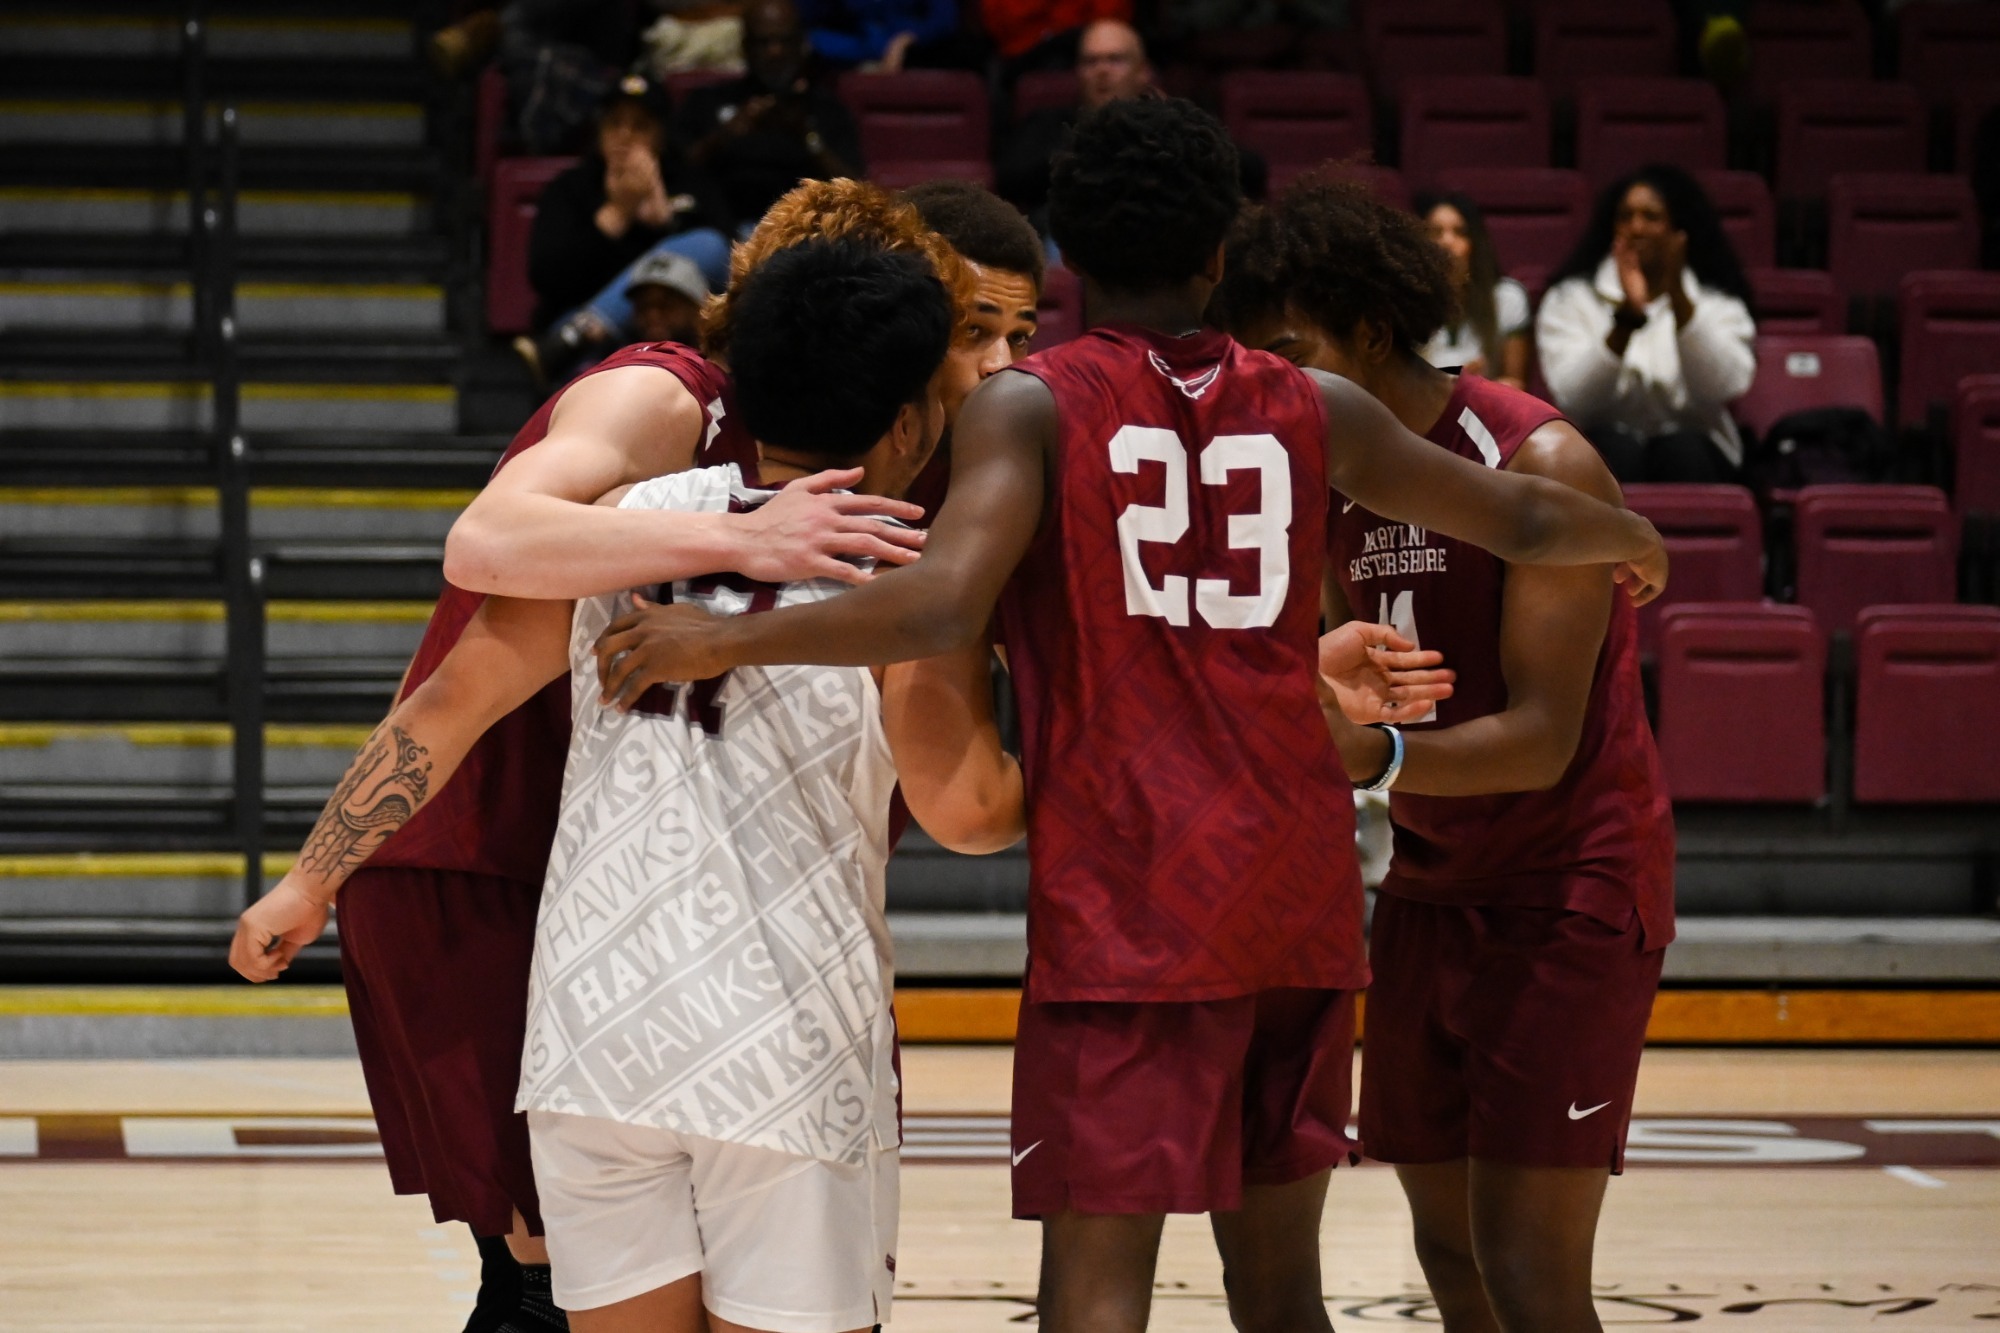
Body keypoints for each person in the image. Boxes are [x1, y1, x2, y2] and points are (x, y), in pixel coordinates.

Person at [584, 98, 1669, 1333]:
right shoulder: (1314, 401)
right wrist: (1632, 533)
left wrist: (725, 633)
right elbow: (1524, 519)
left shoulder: (1031, 402)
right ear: (1219, 255)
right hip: (1294, 892)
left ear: (1066, 258)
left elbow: (941, 603)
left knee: (1096, 1293)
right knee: (1278, 1294)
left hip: (1132, 898)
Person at [232, 237, 1026, 1333]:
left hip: (592, 1042)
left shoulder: (619, 525)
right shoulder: (907, 567)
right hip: (779, 1045)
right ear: (907, 420)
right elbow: (967, 813)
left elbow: (443, 708)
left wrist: (305, 885)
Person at [1214, 178, 1675, 1333]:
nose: (1273, 378)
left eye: (1291, 349)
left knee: (1525, 1267)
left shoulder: (1537, 461)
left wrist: (1364, 757)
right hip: (1426, 879)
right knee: (1449, 1249)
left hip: (1564, 881)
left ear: (1370, 330)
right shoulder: (1316, 469)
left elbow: (1539, 739)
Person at [1536, 163, 1756, 484]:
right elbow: (1573, 396)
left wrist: (1680, 299)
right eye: (1625, 217)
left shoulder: (1717, 302)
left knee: (1680, 450)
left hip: (1697, 450)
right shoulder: (1571, 298)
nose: (1636, 228)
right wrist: (1628, 316)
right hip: (1602, 447)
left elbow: (1726, 385)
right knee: (1614, 448)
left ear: (1678, 230)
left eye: (1651, 217)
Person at [521, 76, 732, 381]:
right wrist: (618, 214)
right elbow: (547, 278)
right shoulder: (569, 188)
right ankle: (579, 339)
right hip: (586, 336)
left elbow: (723, 256)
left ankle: (575, 336)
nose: (625, 136)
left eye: (640, 126)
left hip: (677, 337)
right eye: (614, 123)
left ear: (660, 135)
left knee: (707, 244)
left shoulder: (691, 182)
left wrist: (666, 224)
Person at [671, 0, 867, 234]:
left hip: (802, 236)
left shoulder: (827, 109)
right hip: (719, 232)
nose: (775, 52)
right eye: (763, 42)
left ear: (801, 45)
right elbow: (676, 169)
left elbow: (853, 188)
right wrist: (725, 135)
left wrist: (806, 137)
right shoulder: (707, 101)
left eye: (785, 41)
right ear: (745, 46)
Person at [995, 19, 1152, 227]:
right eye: (1090, 61)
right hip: (1059, 235)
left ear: (1143, 72)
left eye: (1115, 59)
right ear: (1077, 72)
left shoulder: (1161, 133)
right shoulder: (1048, 124)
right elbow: (1010, 179)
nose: (1102, 70)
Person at [1414, 191, 1531, 389]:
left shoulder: (1507, 298)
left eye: (1460, 232)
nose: (1447, 242)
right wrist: (1452, 379)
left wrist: (1475, 387)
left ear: (1476, 243)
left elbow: (1515, 384)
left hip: (1482, 409)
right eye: (1435, 232)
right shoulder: (1403, 299)